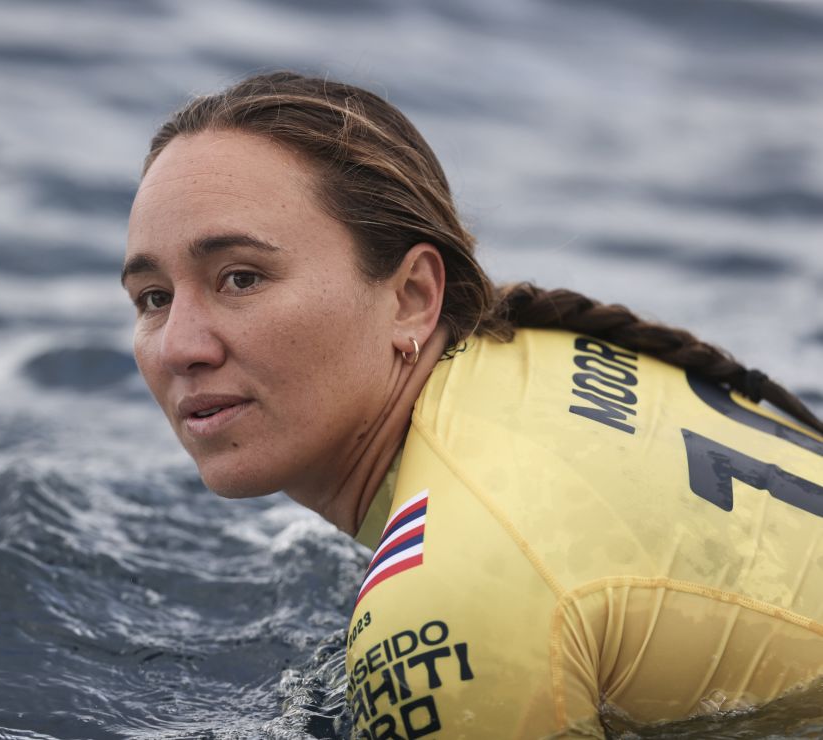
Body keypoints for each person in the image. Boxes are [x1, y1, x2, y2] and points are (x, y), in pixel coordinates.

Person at [121, 71, 823, 739]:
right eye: (153, 298)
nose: (180, 346)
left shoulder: (444, 611)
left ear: (413, 296)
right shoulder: (536, 356)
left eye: (241, 279)